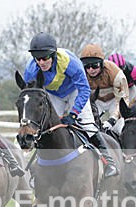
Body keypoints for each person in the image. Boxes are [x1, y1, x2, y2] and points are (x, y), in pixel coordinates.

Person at [23, 32, 118, 177]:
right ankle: (38, 163)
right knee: (46, 127)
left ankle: (109, 163)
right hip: (54, 94)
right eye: (37, 59)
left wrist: (73, 113)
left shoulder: (69, 62)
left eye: (45, 58)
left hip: (75, 91)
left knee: (88, 125)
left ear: (53, 55)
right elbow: (32, 95)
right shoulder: (31, 70)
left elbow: (84, 89)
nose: (41, 62)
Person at [79, 44, 129, 137]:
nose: (91, 70)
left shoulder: (115, 72)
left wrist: (112, 119)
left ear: (102, 63)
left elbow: (123, 100)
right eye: (87, 66)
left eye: (95, 65)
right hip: (96, 102)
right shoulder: (81, 74)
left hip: (115, 101)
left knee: (120, 128)